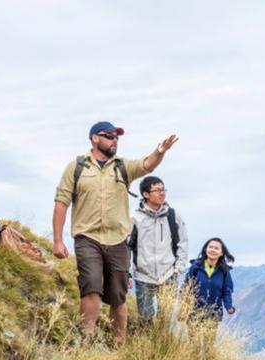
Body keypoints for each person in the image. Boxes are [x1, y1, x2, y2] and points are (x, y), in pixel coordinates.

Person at [52, 121, 179, 341]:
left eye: (117, 137)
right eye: (109, 136)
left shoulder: (122, 167)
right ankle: (87, 339)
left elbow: (147, 164)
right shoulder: (77, 167)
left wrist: (160, 151)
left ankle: (118, 343)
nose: (114, 140)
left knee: (118, 296)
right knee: (91, 286)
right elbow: (61, 203)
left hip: (118, 240)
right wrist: (57, 241)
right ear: (94, 138)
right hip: (87, 237)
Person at [129, 176, 189, 323]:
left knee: (166, 320)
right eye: (157, 190)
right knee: (145, 319)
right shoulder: (135, 218)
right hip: (143, 275)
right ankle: (146, 346)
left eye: (163, 190)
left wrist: (178, 269)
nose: (162, 193)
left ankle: (164, 345)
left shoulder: (173, 216)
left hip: (169, 275)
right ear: (146, 194)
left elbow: (183, 242)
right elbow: (126, 246)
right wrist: (127, 273)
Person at [184, 238, 236, 330]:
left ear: (221, 253)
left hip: (213, 313)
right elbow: (186, 288)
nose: (213, 250)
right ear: (205, 249)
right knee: (193, 343)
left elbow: (227, 291)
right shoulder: (196, 267)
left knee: (209, 343)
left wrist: (229, 306)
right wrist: (183, 307)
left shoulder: (224, 271)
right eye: (210, 247)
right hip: (194, 312)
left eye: (216, 248)